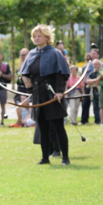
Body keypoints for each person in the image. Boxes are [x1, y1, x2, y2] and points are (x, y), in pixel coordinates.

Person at [21, 24, 71, 165]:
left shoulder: (55, 53)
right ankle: (45, 158)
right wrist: (24, 77)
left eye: (39, 36)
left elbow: (61, 74)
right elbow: (25, 72)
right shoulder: (32, 53)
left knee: (58, 126)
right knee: (42, 127)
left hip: (52, 94)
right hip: (38, 94)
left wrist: (59, 91)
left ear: (47, 37)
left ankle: (65, 158)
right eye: (34, 36)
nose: (36, 38)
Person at [81, 45, 101, 124]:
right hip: (88, 87)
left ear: (98, 55)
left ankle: (98, 120)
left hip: (97, 86)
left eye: (94, 54)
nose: (93, 56)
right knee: (85, 103)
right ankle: (84, 120)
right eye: (92, 54)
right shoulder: (86, 66)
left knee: (97, 104)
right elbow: (84, 78)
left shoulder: (101, 65)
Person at [12, 48, 30, 127]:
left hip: (27, 88)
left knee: (27, 102)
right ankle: (19, 120)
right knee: (16, 101)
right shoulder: (20, 65)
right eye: (21, 55)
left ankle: (27, 119)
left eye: (24, 55)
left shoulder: (30, 64)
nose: (22, 57)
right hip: (20, 87)